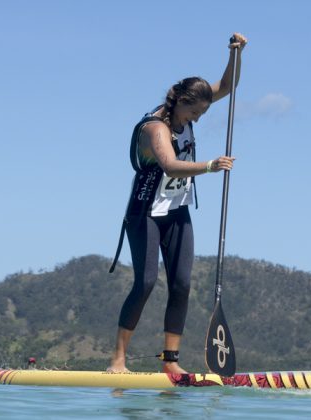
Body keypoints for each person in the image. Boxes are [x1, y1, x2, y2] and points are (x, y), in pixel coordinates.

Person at [108, 33, 248, 374]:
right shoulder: (156, 128)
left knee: (182, 283)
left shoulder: (190, 106)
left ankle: (171, 363)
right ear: (181, 102)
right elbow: (170, 165)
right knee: (145, 282)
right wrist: (210, 166)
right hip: (145, 213)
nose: (198, 119)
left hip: (177, 211)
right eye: (195, 112)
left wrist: (236, 54)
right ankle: (117, 361)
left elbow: (228, 85)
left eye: (202, 112)